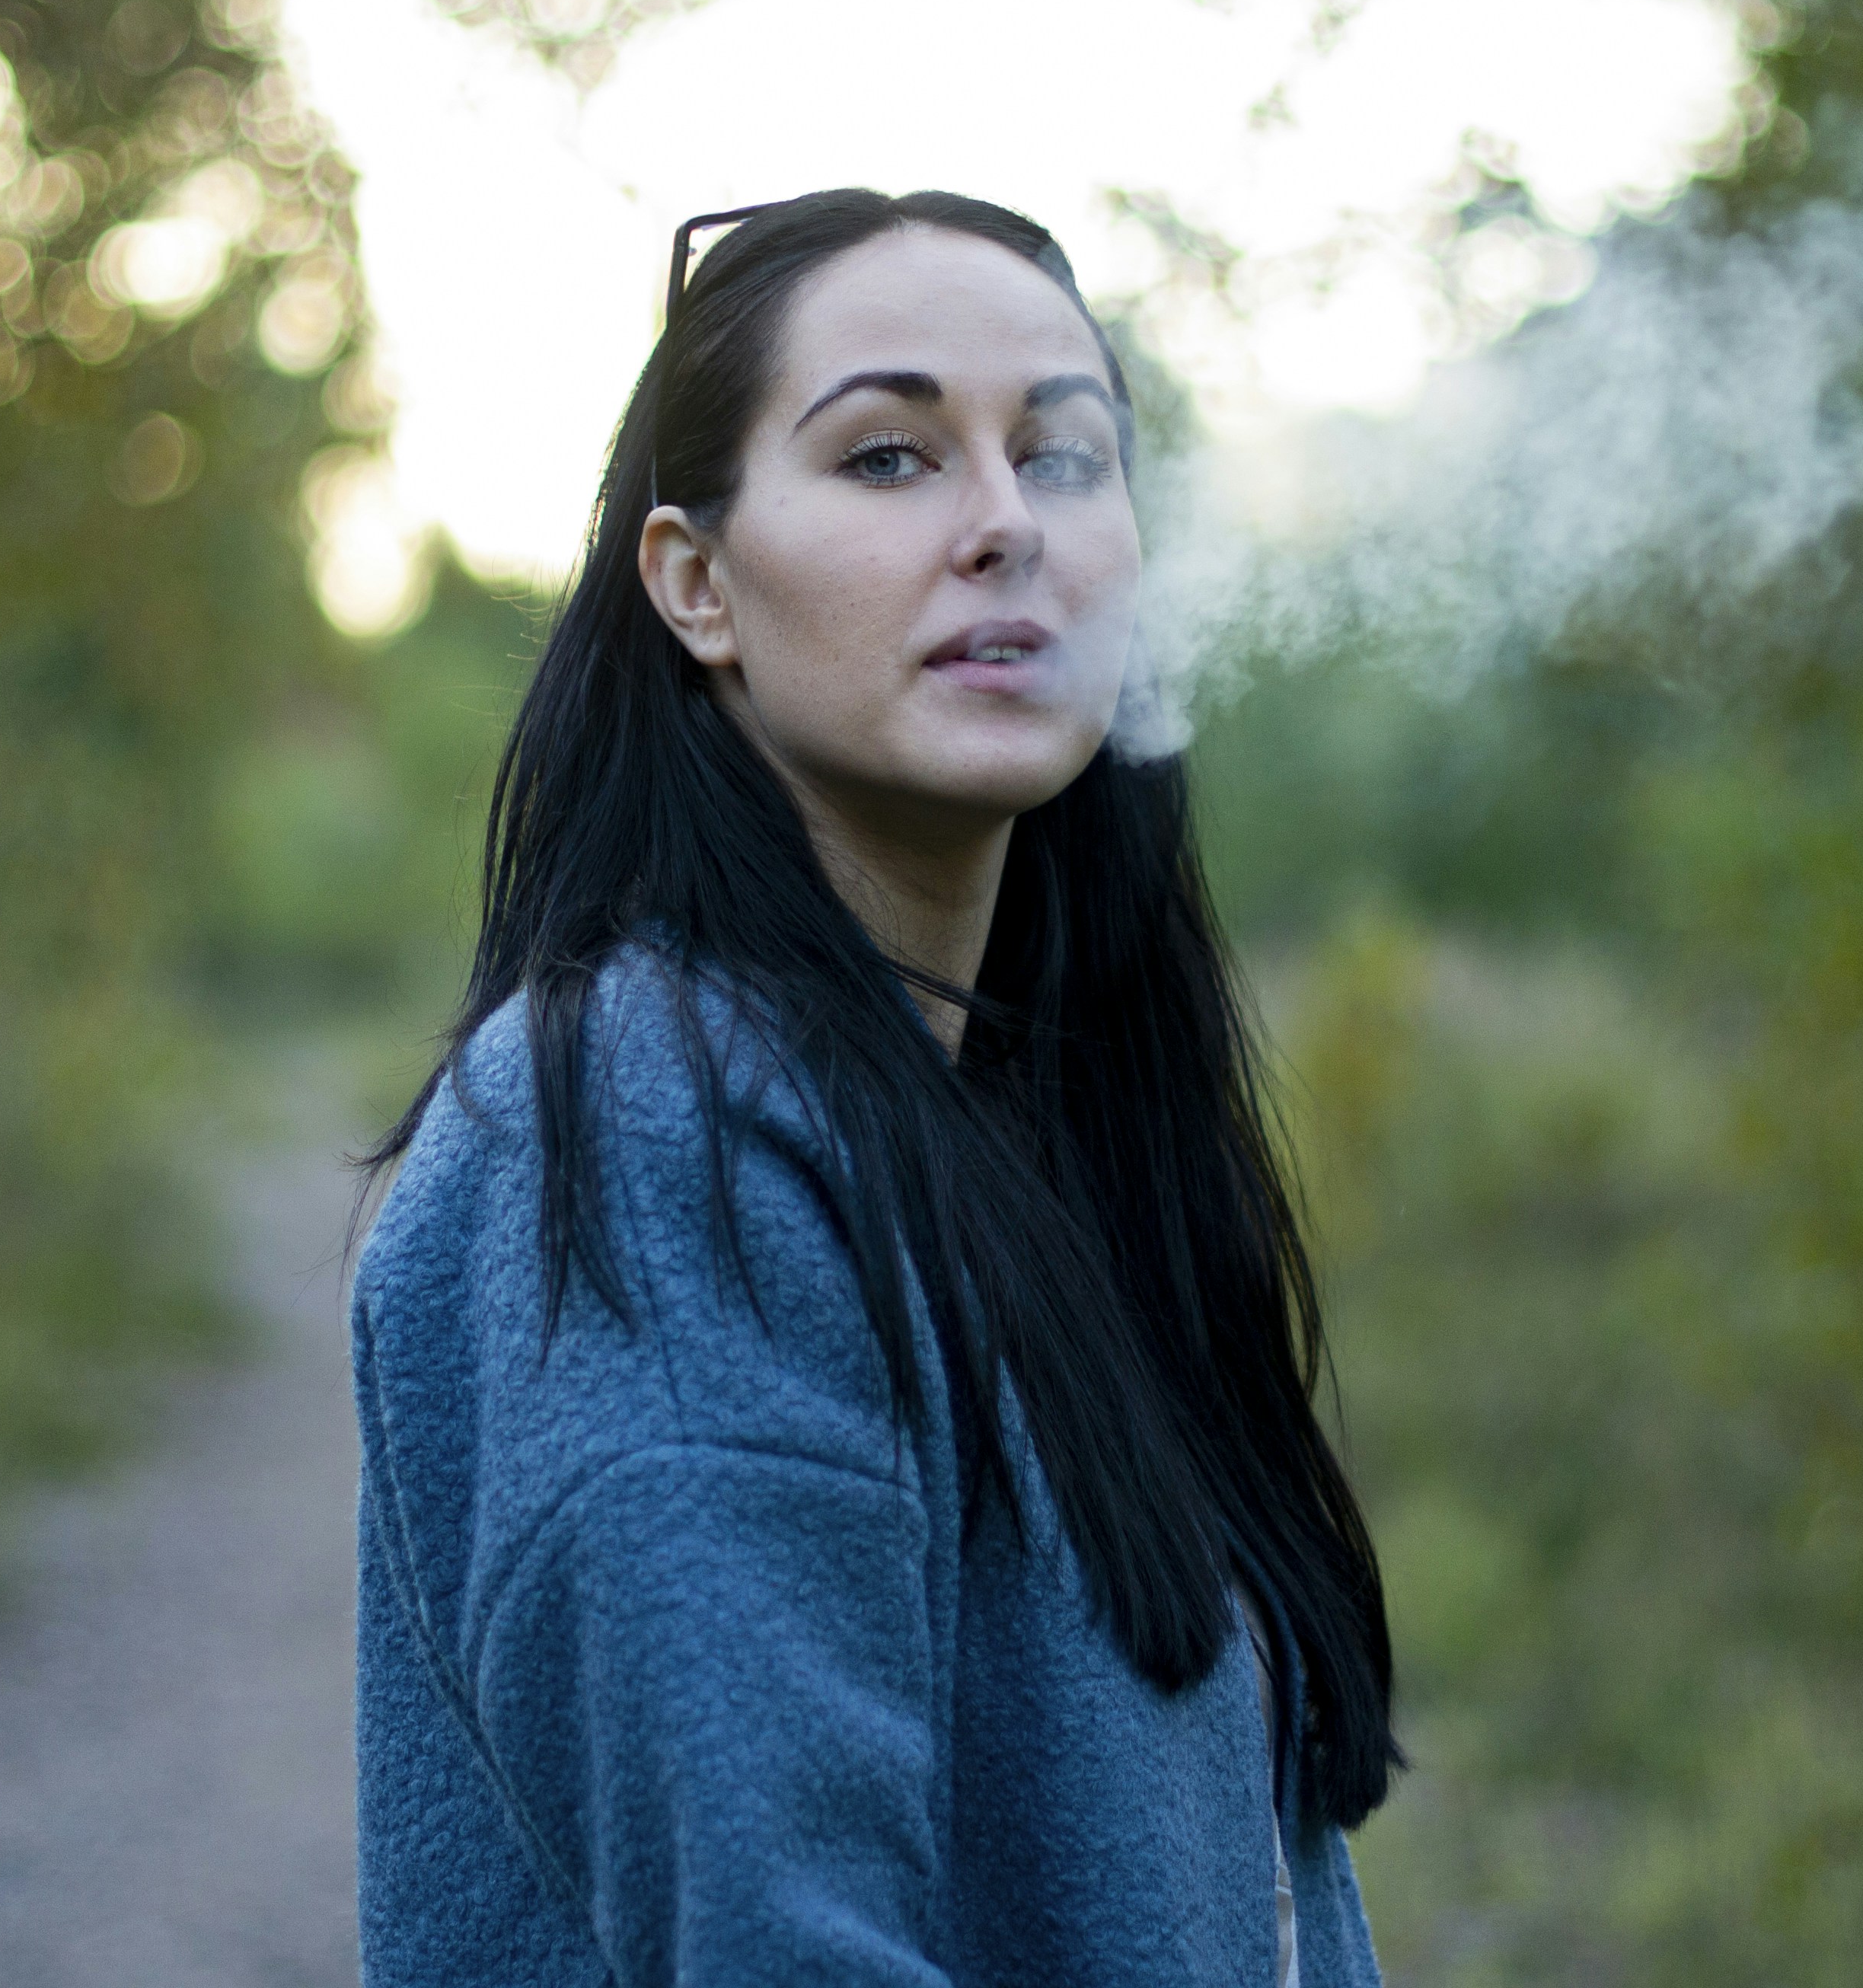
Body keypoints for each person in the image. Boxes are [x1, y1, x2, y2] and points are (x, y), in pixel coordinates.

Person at [347, 188, 1396, 1986]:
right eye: (894, 457)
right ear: (695, 583)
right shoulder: (650, 1120)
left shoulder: (1031, 1135)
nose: (1008, 526)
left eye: (1066, 458)